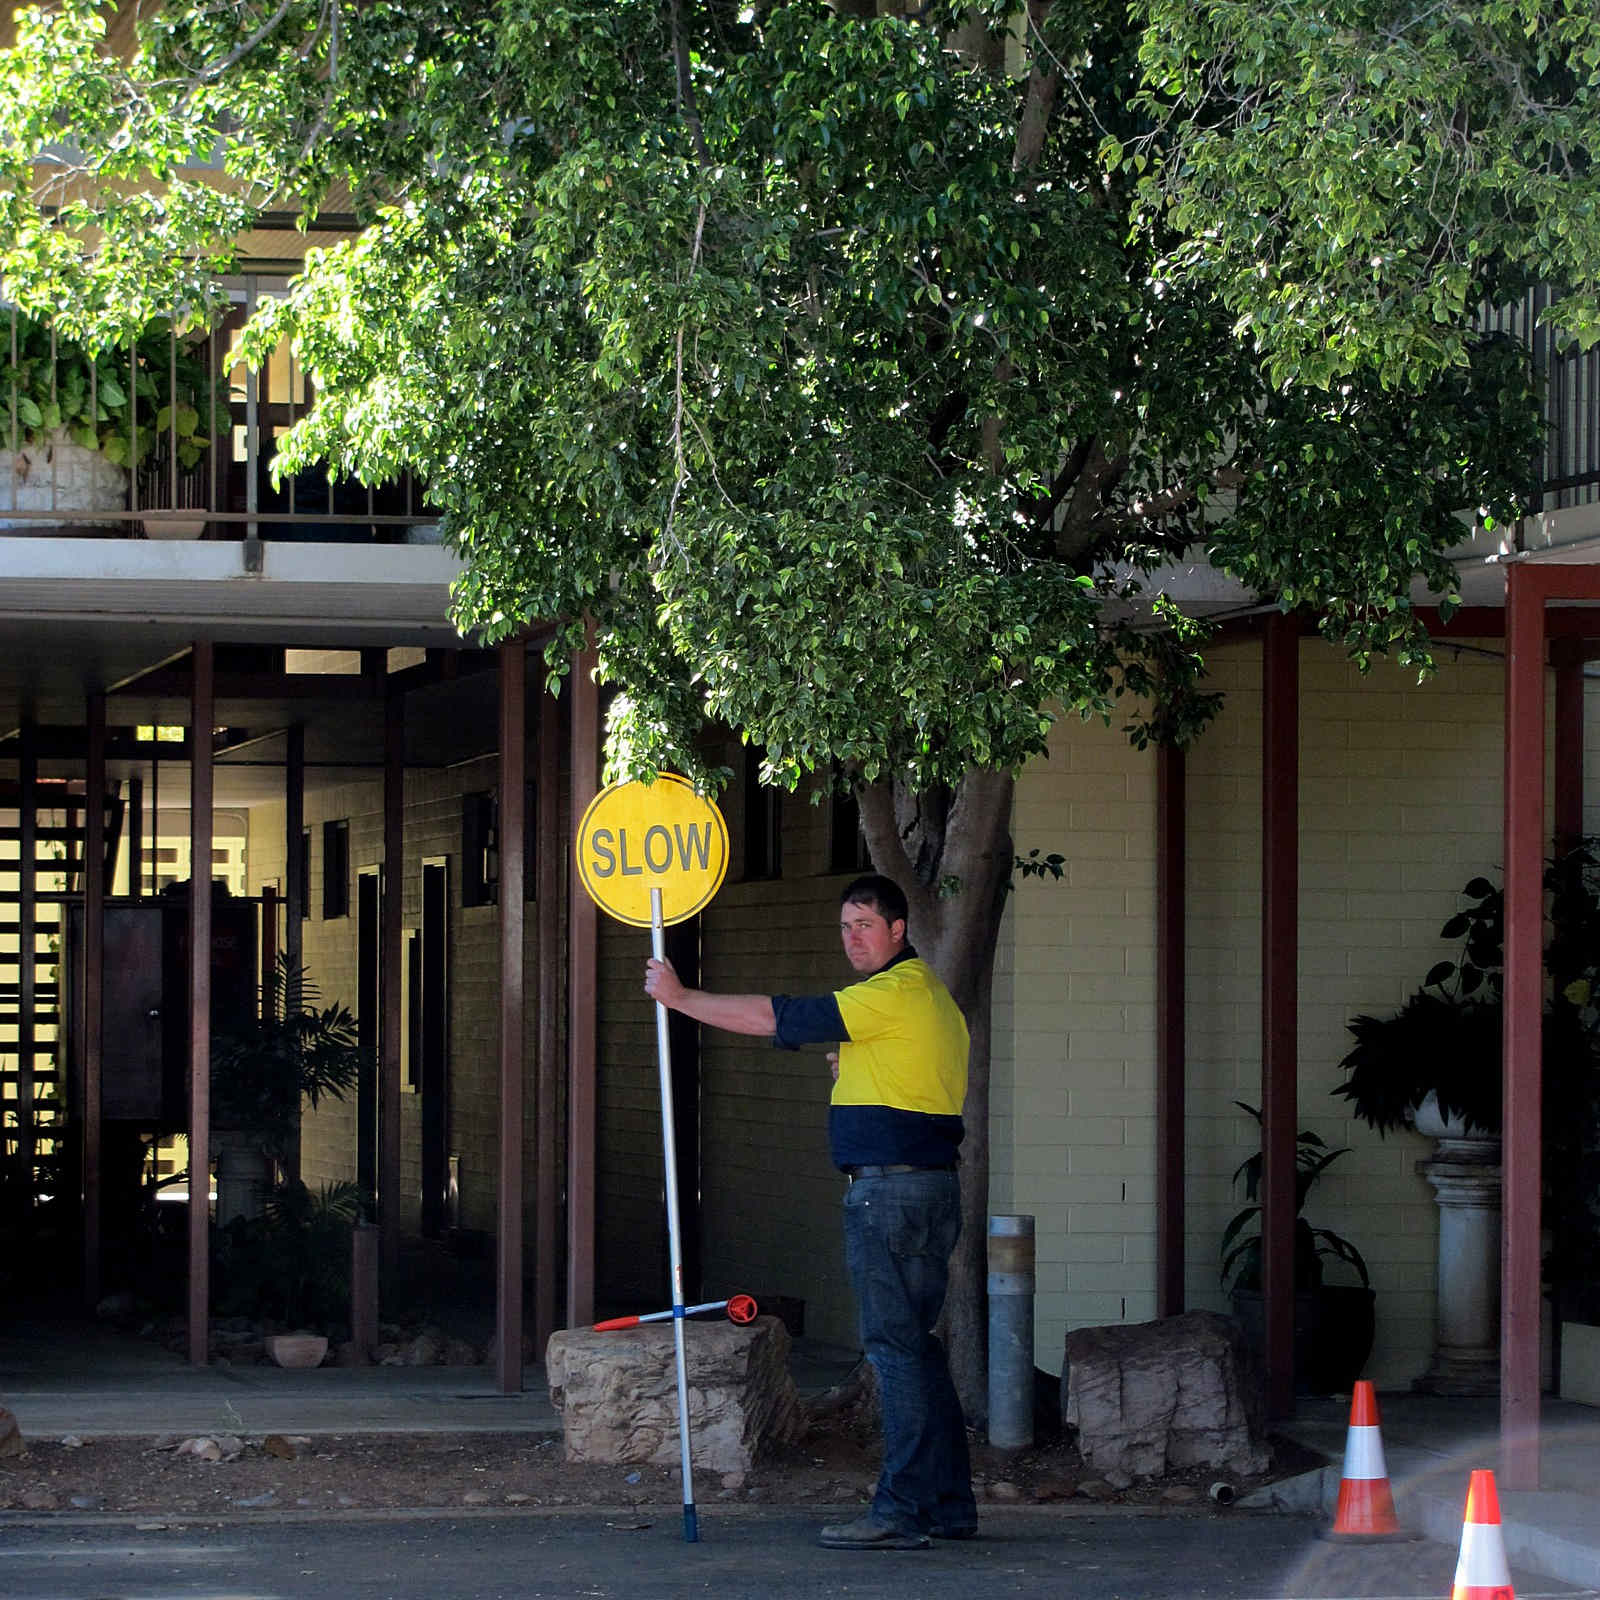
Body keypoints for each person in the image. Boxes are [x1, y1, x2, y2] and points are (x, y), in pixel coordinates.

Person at [644, 872, 976, 1552]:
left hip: (888, 1195)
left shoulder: (888, 993)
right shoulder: (928, 997)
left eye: (865, 925)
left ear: (898, 929)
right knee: (916, 1349)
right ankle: (946, 1505)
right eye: (845, 927)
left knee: (895, 1352)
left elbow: (776, 1017)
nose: (853, 938)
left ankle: (902, 1509)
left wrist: (680, 1000)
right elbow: (906, 1084)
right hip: (925, 1189)